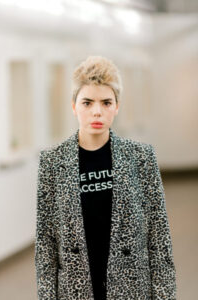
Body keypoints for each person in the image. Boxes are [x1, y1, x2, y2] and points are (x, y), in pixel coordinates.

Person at [35, 55, 177, 300]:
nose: (97, 112)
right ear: (74, 106)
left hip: (131, 289)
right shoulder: (53, 162)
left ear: (117, 106)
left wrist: (165, 296)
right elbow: (45, 245)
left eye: (106, 103)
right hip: (75, 291)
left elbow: (159, 238)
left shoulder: (140, 157)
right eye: (87, 103)